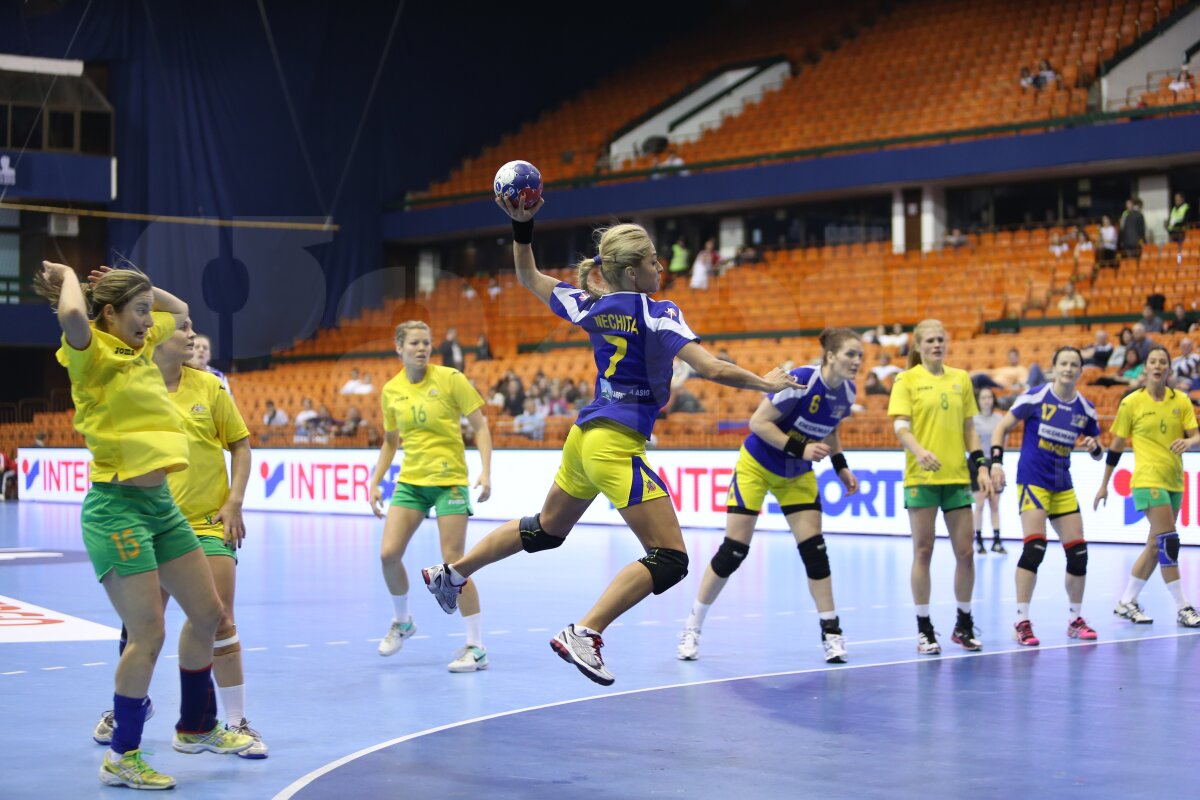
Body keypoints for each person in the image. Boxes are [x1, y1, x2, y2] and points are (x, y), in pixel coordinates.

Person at [421, 198, 800, 686]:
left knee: (546, 529)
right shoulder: (657, 311)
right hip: (615, 444)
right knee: (671, 558)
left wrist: (522, 225)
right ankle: (585, 632)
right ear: (633, 272)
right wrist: (766, 383)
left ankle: (451, 573)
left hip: (583, 439)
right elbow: (710, 368)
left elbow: (528, 276)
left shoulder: (591, 304)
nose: (660, 267)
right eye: (652, 261)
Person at [34, 262, 252, 789]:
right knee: (148, 632)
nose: (148, 319)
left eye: (143, 311)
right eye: (135, 311)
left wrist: (143, 288)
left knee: (208, 615)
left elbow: (177, 309)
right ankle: (122, 754)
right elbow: (69, 311)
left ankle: (195, 729)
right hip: (117, 508)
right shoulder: (90, 354)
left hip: (162, 508)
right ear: (107, 315)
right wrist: (69, 275)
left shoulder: (142, 344)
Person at [93, 313, 266, 756]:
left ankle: (232, 720)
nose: (193, 337)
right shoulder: (136, 384)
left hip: (207, 520)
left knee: (219, 616)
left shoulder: (210, 387)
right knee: (142, 625)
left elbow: (241, 445)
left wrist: (234, 501)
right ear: (157, 338)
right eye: (184, 330)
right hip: (150, 521)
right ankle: (129, 706)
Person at [677, 329, 863, 665]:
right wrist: (801, 447)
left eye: (860, 356)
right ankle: (693, 626)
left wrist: (841, 466)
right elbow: (758, 422)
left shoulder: (847, 392)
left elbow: (832, 427)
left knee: (815, 552)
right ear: (831, 356)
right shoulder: (804, 380)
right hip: (758, 465)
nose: (857, 361)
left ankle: (832, 633)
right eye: (850, 354)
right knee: (734, 551)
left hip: (796, 473)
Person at [366, 320, 494, 672]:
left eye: (427, 342)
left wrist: (485, 471)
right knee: (388, 554)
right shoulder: (391, 390)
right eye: (414, 343)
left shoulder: (451, 379)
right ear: (399, 348)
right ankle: (403, 621)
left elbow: (480, 427)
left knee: (454, 563)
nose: (422, 348)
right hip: (411, 482)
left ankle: (476, 646)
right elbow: (391, 441)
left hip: (449, 480)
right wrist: (375, 480)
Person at [888, 319, 993, 654]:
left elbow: (970, 430)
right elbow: (901, 426)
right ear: (918, 346)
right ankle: (924, 628)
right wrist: (919, 452)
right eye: (930, 340)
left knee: (965, 552)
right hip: (922, 478)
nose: (936, 345)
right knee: (924, 551)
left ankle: (963, 624)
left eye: (940, 340)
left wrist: (980, 466)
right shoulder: (906, 380)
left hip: (956, 478)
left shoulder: (960, 379)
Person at [990, 347, 1104, 646]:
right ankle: (1021, 620)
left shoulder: (1086, 409)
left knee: (1079, 553)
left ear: (1081, 371)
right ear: (1054, 367)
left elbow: (1096, 449)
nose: (1068, 368)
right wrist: (997, 462)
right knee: (1035, 548)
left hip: (1062, 484)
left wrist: (1094, 448)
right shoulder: (1036, 396)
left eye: (1074, 364)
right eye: (1063, 363)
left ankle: (1075, 619)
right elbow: (1002, 427)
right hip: (1033, 481)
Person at [1096, 345, 1200, 628]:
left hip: (1174, 480)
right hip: (1145, 480)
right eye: (1152, 361)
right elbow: (1116, 447)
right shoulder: (1131, 403)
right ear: (1146, 368)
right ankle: (1183, 607)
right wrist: (1104, 484)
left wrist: (1190, 442)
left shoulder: (1181, 400)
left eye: (1162, 362)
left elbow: (1196, 435)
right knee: (1168, 541)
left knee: (1155, 546)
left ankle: (1126, 601)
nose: (1157, 366)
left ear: (1169, 368)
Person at [971, 388, 1006, 555]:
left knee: (994, 504)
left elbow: (1001, 442)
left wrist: (998, 464)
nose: (986, 400)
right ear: (978, 400)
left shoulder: (999, 419)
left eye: (989, 397)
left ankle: (997, 540)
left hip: (994, 463)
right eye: (983, 397)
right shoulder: (973, 420)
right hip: (977, 464)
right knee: (979, 504)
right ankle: (978, 540)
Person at [1119, 198, 1145, 263]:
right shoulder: (1139, 215)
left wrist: (1122, 241)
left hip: (1127, 241)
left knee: (1130, 259)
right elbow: (1141, 230)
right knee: (1136, 259)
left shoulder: (1127, 215)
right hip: (1135, 241)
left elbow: (1122, 228)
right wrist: (1141, 239)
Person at [1167, 192, 1189, 262]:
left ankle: (1179, 262)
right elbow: (1170, 220)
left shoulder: (1186, 207)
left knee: (1179, 250)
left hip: (1181, 233)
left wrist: (1177, 222)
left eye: (1178, 199)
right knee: (1172, 250)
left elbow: (1186, 220)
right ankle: (1173, 262)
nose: (1176, 200)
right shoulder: (1173, 209)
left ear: (1182, 199)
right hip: (1172, 233)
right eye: (1175, 199)